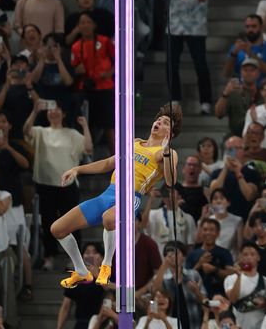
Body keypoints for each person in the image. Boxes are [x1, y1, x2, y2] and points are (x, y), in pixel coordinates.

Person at [52, 104, 181, 288]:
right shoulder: (135, 142)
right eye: (159, 120)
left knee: (109, 218)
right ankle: (81, 271)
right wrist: (77, 169)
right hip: (108, 194)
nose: (159, 122)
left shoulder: (167, 153)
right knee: (58, 229)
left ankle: (106, 265)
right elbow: (107, 164)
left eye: (165, 122)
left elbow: (171, 180)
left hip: (131, 197)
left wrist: (167, 150)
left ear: (171, 133)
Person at [23, 100, 92, 270]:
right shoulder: (41, 132)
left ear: (64, 113)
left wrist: (85, 126)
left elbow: (88, 148)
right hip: (45, 184)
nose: (54, 113)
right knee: (48, 223)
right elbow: (26, 131)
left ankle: (74, 259)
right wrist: (34, 111)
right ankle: (49, 255)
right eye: (51, 110)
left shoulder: (72, 133)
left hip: (67, 185)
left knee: (73, 222)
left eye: (57, 110)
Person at [157, 0, 213, 114]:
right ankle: (174, 99)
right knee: (171, 64)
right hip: (174, 27)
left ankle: (206, 102)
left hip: (196, 27)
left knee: (200, 65)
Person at [224, 242, 266, 329]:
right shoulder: (231, 279)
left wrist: (264, 303)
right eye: (245, 254)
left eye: (252, 254)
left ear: (258, 257)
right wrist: (239, 276)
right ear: (240, 257)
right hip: (239, 325)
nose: (249, 257)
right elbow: (233, 299)